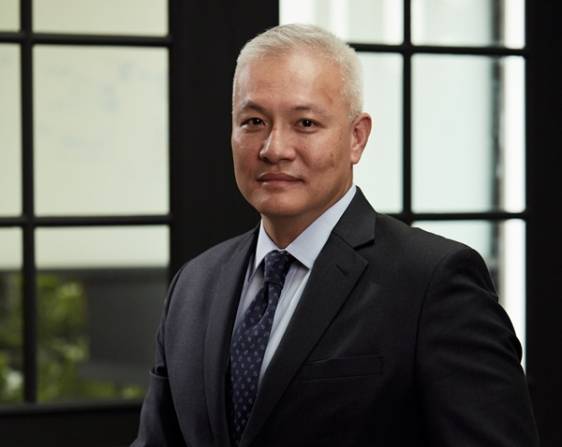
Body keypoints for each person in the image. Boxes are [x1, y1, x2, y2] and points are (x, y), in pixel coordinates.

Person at [131, 24, 539, 447]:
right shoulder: (194, 285)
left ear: (356, 137)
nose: (274, 148)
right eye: (253, 122)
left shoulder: (433, 283)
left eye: (305, 123)